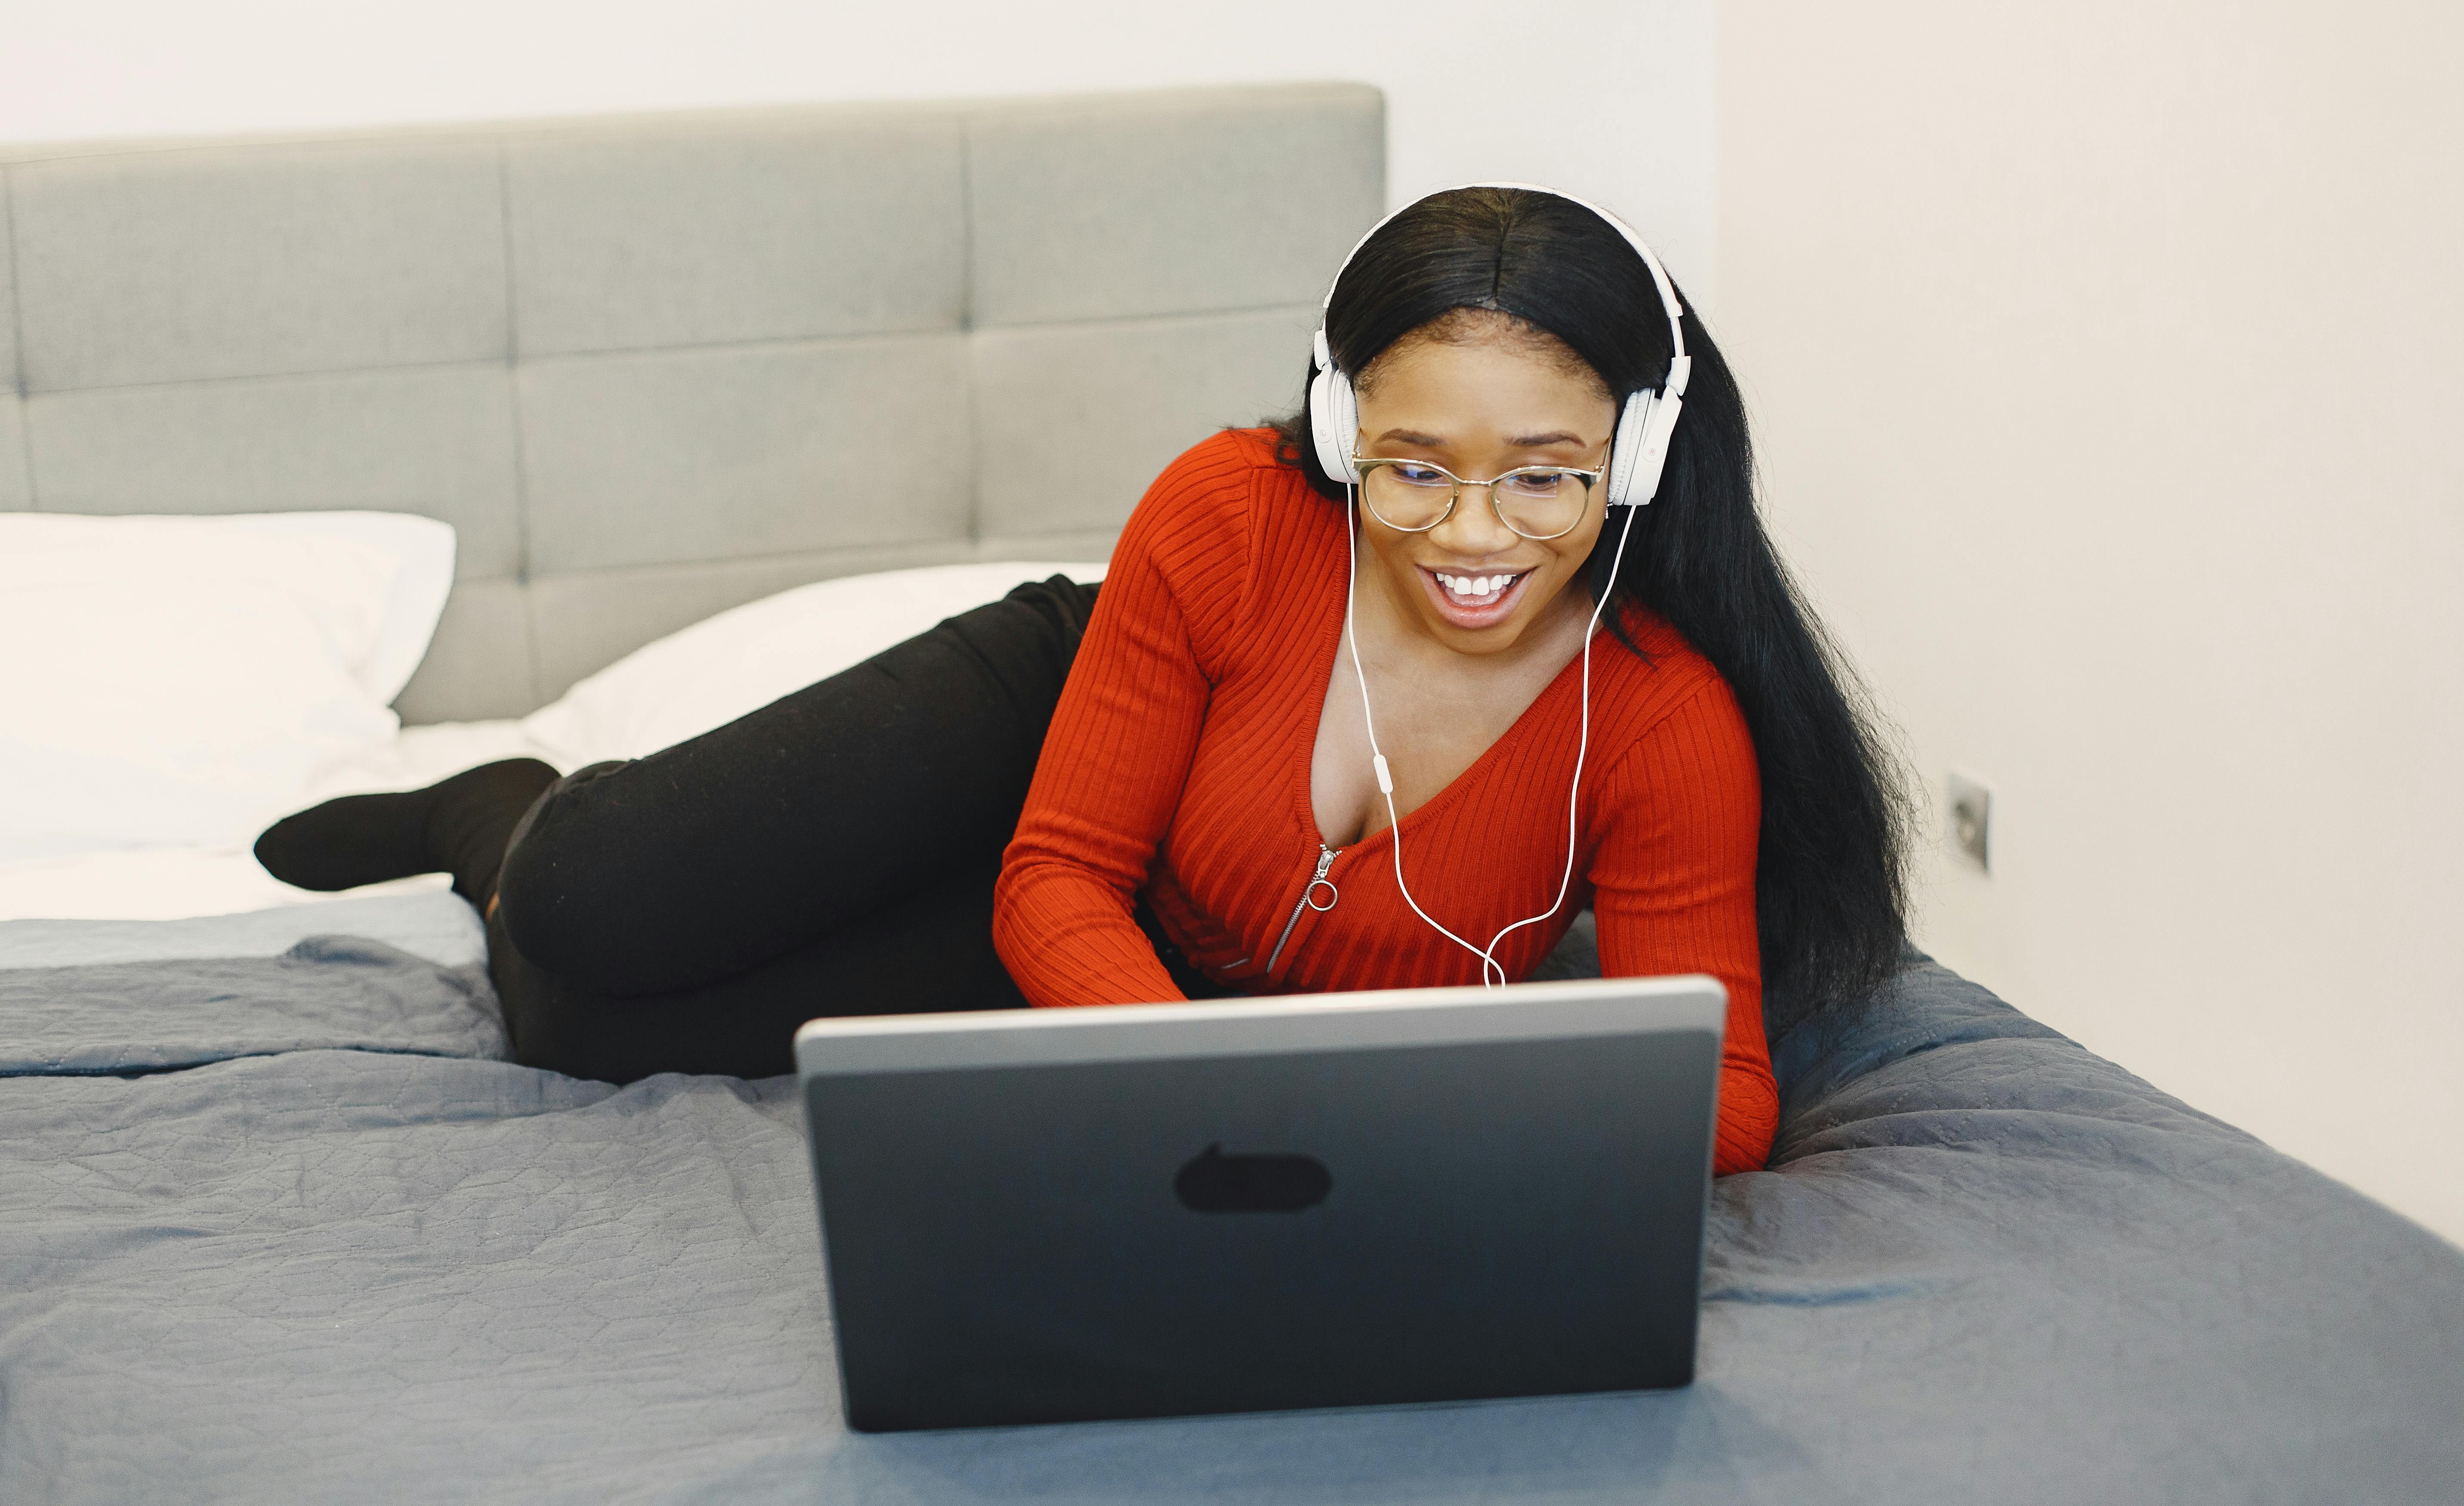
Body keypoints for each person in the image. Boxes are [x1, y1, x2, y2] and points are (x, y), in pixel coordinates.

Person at [257, 187, 1907, 1177]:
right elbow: (1056, 868)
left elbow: (1735, 1097)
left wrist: (1409, 1125)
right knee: (597, 903)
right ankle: (510, 806)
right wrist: (1227, 1086)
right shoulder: (1231, 513)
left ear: (1637, 456)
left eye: (1546, 477)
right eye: (1411, 468)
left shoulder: (1668, 718)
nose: (1473, 535)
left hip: (1155, 948)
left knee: (580, 1030)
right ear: (1342, 432)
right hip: (1062, 734)